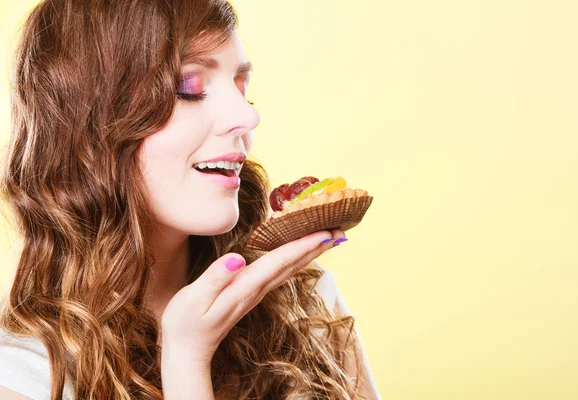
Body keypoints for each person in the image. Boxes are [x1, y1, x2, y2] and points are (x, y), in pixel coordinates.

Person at [0, 0, 381, 399]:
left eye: (241, 89)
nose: (247, 118)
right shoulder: (26, 376)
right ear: (86, 128)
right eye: (190, 88)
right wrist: (187, 359)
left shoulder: (304, 304)